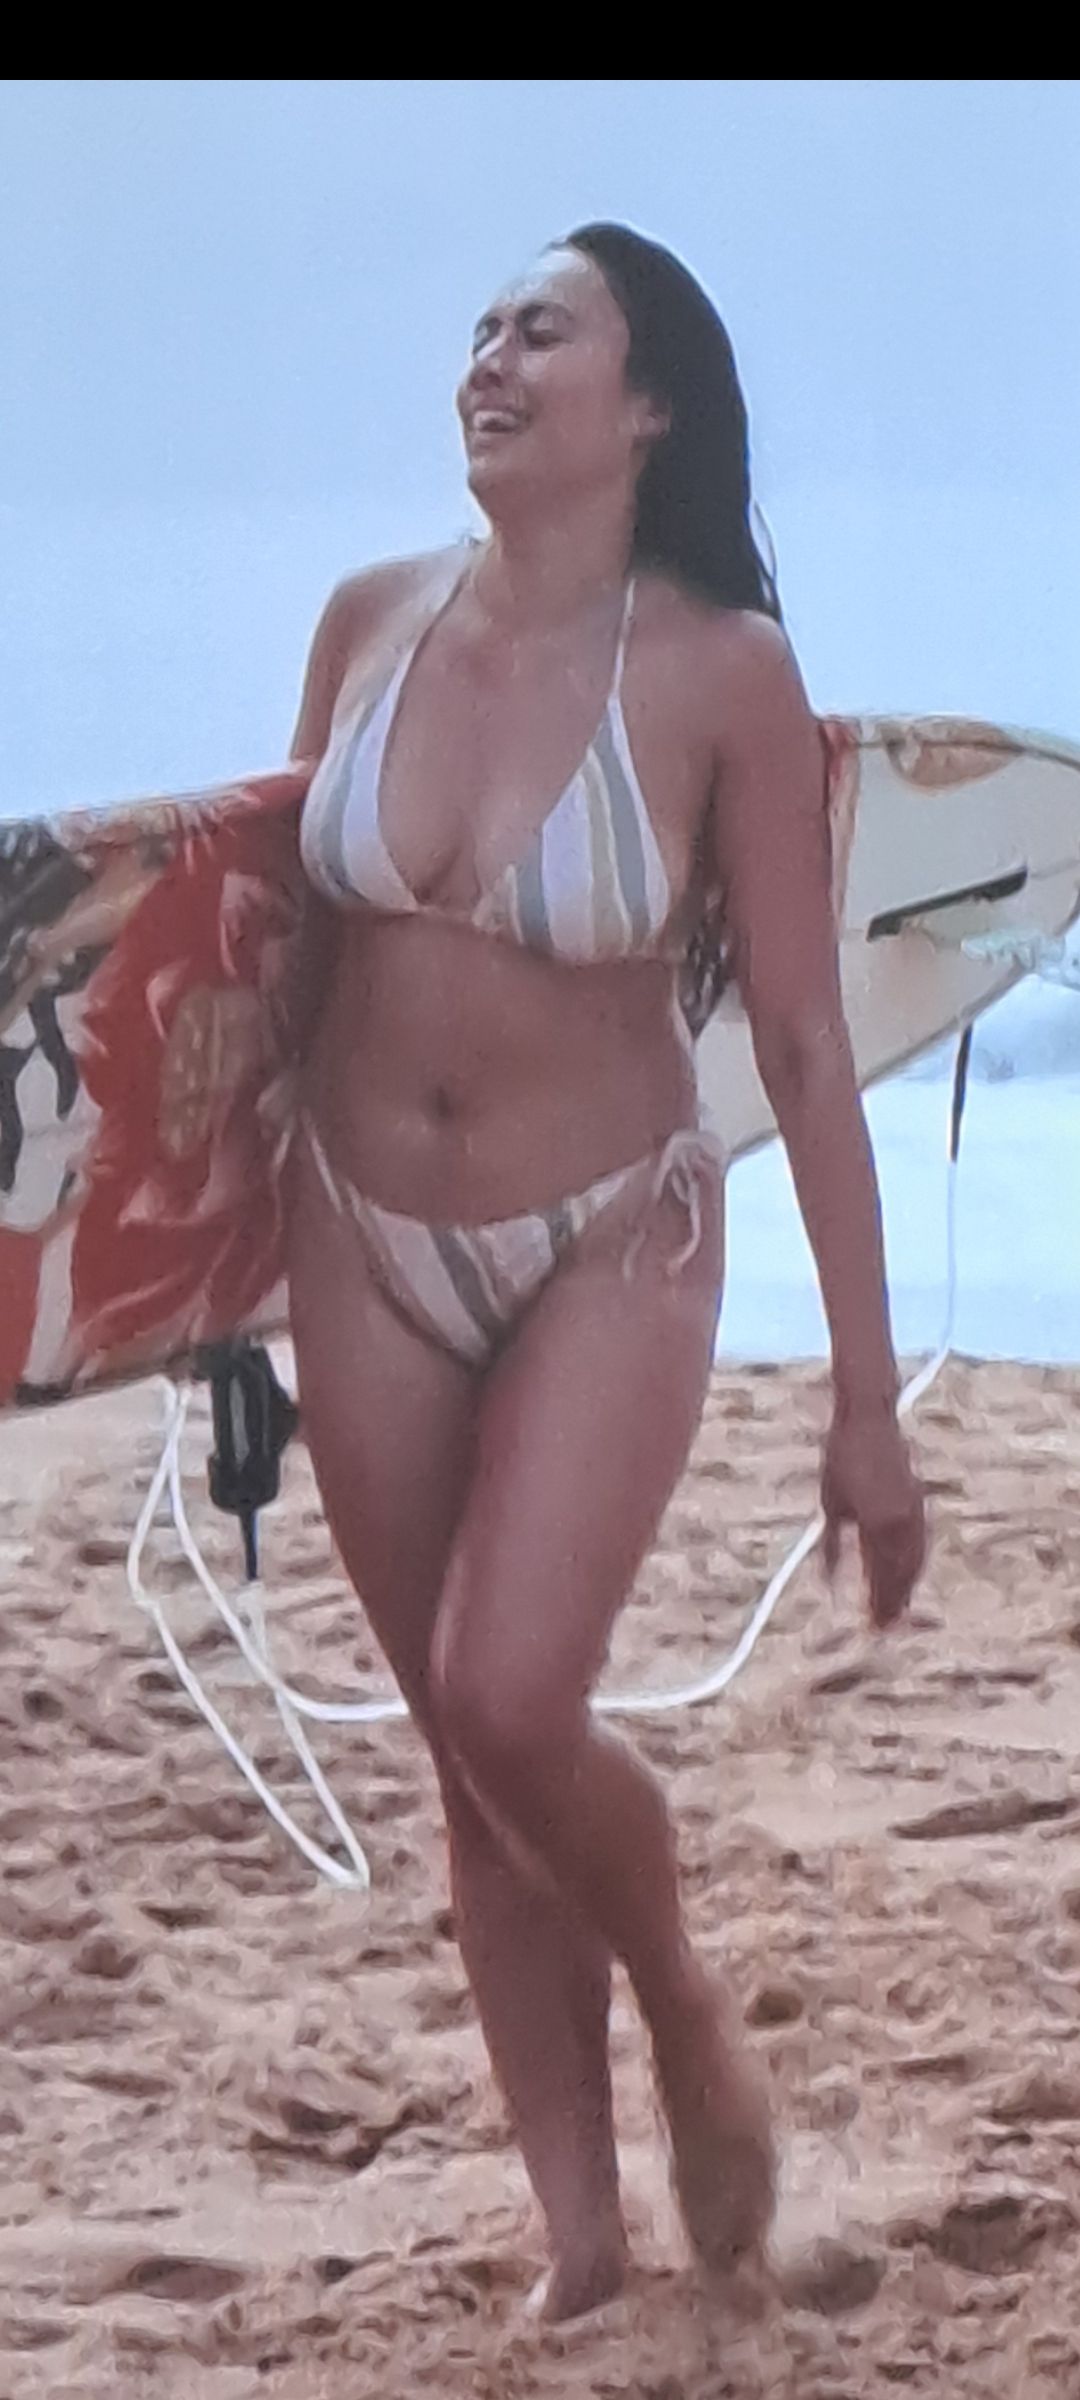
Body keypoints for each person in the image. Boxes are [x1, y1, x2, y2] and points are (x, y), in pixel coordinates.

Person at [285, 223, 926, 2323]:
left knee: (510, 1689)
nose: (488, 358)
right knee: (465, 1758)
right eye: (478, 328)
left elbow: (805, 1047)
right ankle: (580, 2244)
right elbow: (264, 977)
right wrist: (176, 1290)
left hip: (612, 1236)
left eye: (540, 332)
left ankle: (682, 1998)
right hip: (355, 1237)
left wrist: (864, 1405)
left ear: (647, 405)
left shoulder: (722, 676)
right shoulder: (366, 623)